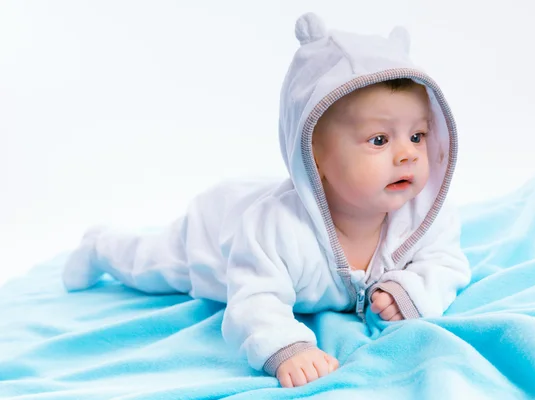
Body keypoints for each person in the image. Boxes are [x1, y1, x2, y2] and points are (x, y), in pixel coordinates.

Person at [62, 13, 471, 388]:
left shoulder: (425, 215)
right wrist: (286, 347)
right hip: (215, 235)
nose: (408, 154)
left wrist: (410, 290)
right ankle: (100, 246)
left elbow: (447, 264)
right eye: (379, 140)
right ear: (313, 154)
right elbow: (255, 299)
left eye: (417, 135)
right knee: (149, 264)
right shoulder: (274, 228)